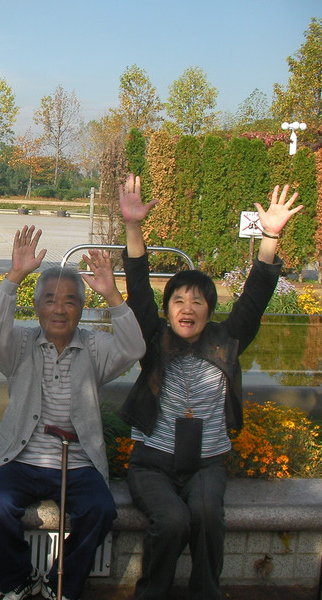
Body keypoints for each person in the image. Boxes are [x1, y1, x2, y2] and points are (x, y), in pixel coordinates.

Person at [118, 174, 303, 600]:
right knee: (171, 521)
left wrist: (269, 237)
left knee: (204, 514)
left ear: (209, 311)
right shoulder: (153, 339)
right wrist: (133, 227)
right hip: (152, 463)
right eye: (178, 301)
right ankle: (152, 593)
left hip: (207, 464)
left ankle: (207, 594)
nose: (187, 308)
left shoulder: (227, 339)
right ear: (168, 310)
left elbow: (256, 295)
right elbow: (139, 290)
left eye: (197, 301)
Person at [0, 225, 146, 600]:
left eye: (70, 301)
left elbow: (134, 349)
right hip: (22, 458)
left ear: (81, 309)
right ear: (36, 308)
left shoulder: (95, 347)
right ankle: (17, 577)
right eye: (50, 300)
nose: (59, 308)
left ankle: (61, 582)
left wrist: (114, 295)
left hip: (79, 463)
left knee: (101, 510)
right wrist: (15, 276)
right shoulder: (19, 344)